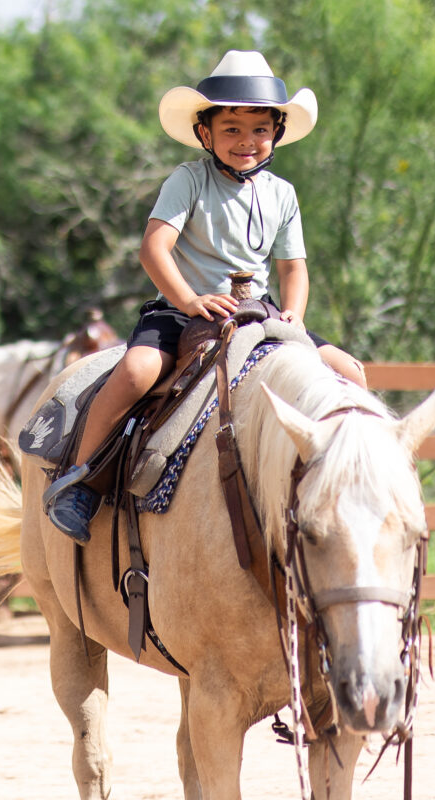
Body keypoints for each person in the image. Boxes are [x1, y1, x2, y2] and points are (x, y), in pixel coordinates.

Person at [46, 50, 367, 543]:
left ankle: (362, 482)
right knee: (136, 371)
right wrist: (191, 299)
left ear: (276, 133)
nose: (247, 141)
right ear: (206, 134)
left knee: (350, 371)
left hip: (258, 315)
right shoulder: (189, 180)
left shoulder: (282, 194)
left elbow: (292, 267)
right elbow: (154, 247)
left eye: (260, 129)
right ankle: (81, 479)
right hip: (181, 311)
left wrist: (294, 317)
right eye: (233, 129)